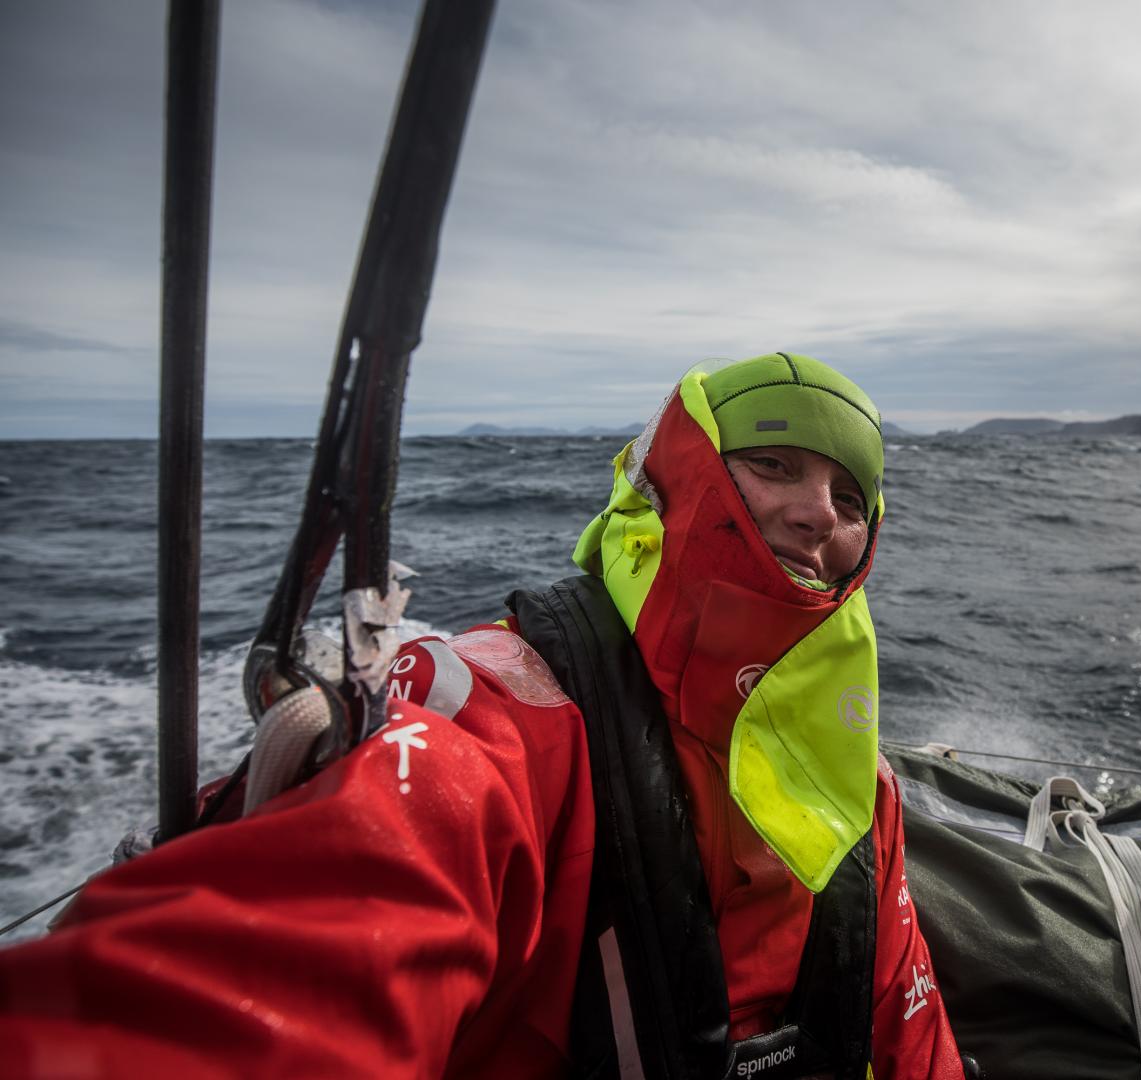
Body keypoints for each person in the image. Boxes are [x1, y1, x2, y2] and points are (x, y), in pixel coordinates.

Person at [0, 353, 965, 1078]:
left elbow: (910, 1033)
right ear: (678, 477)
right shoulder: (500, 717)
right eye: (775, 464)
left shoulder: (861, 788)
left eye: (850, 498)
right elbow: (298, 964)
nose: (819, 513)